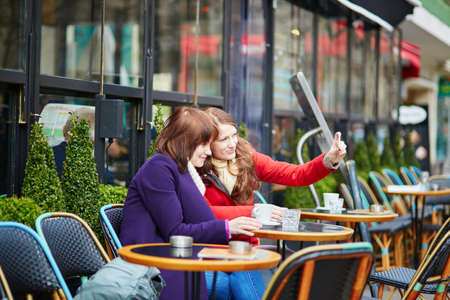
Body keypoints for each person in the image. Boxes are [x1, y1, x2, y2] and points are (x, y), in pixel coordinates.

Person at [119, 106, 262, 300]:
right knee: (238, 275)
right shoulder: (159, 168)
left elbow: (202, 220)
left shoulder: (180, 168)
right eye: (203, 144)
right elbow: (176, 232)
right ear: (185, 142)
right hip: (155, 267)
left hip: (177, 258)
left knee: (243, 268)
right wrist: (228, 227)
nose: (208, 152)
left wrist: (229, 229)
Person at [200, 107, 347, 244]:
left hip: (246, 247)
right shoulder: (195, 166)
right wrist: (255, 212)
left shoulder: (246, 157)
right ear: (206, 142)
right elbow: (201, 213)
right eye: (224, 139)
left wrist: (329, 160)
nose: (232, 143)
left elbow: (295, 174)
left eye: (234, 135)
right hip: (210, 248)